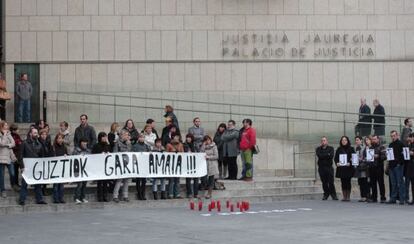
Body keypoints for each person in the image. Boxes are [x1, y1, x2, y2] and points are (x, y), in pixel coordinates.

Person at [19, 127, 47, 205]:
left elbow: (42, 156)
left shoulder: (39, 144)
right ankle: (22, 199)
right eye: (34, 133)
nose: (36, 134)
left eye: (37, 133)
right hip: (27, 167)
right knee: (24, 183)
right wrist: (22, 166)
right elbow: (20, 156)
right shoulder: (24, 143)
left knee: (38, 184)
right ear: (30, 134)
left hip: (36, 167)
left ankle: (40, 199)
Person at [315, 136, 337, 200]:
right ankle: (326, 194)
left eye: (324, 140)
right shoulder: (318, 149)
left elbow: (331, 156)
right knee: (324, 182)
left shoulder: (331, 148)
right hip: (321, 168)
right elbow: (319, 156)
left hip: (329, 167)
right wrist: (327, 154)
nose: (323, 142)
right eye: (322, 141)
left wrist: (325, 155)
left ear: (327, 141)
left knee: (331, 182)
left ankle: (333, 195)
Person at [387, 130, 406, 204]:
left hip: (398, 166)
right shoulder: (390, 144)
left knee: (400, 182)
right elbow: (389, 156)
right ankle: (393, 198)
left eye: (394, 135)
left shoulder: (401, 144)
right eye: (391, 136)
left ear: (397, 135)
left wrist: (399, 163)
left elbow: (404, 155)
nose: (393, 137)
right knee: (393, 183)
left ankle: (402, 199)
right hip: (391, 166)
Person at [92, 132, 112, 202]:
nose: (104, 138)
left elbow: (111, 153)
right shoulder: (96, 146)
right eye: (103, 137)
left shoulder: (107, 145)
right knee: (100, 182)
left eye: (105, 137)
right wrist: (100, 154)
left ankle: (105, 196)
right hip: (99, 166)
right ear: (100, 138)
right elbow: (93, 155)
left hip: (106, 166)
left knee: (105, 182)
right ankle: (100, 196)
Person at [112, 129, 131, 203]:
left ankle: (125, 195)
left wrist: (129, 144)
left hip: (127, 163)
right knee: (119, 180)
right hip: (120, 164)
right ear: (122, 135)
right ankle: (115, 196)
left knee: (126, 180)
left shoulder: (128, 143)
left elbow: (130, 152)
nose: (127, 136)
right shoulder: (117, 143)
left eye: (128, 135)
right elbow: (115, 153)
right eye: (126, 135)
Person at [334, 136, 355, 202]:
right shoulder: (339, 149)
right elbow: (336, 158)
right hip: (341, 168)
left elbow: (354, 157)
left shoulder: (351, 149)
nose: (344, 141)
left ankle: (348, 196)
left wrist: (350, 163)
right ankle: (344, 196)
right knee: (343, 182)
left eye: (345, 140)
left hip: (348, 168)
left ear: (347, 141)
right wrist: (337, 163)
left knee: (348, 182)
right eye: (342, 140)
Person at [132, 133, 151, 200]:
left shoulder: (146, 146)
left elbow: (149, 153)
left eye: (143, 137)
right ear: (138, 138)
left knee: (143, 181)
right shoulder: (135, 146)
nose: (142, 138)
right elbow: (133, 154)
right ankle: (139, 194)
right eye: (140, 137)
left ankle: (143, 194)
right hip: (138, 165)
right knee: (138, 180)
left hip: (144, 165)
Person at [72, 138, 90, 204]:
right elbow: (73, 158)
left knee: (84, 184)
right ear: (80, 143)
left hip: (85, 170)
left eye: (85, 142)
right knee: (79, 184)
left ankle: (82, 197)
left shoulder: (88, 151)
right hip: (78, 169)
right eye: (83, 142)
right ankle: (76, 197)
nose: (84, 143)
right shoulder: (76, 150)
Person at [0, 121, 16, 197]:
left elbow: (13, 143)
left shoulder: (9, 133)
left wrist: (7, 145)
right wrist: (5, 135)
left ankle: (13, 184)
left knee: (12, 173)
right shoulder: (2, 134)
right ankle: (3, 190)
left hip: (9, 157)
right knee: (1, 175)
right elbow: (1, 143)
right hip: (1, 157)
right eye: (6, 125)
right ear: (2, 126)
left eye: (7, 124)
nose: (7, 126)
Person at [166, 133, 183, 199]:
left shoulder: (180, 145)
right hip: (171, 164)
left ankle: (177, 194)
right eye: (176, 137)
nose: (177, 139)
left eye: (178, 137)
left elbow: (183, 153)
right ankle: (170, 194)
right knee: (171, 180)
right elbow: (166, 154)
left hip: (178, 164)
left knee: (177, 180)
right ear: (173, 138)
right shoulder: (169, 145)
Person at [370, 135, 386, 203]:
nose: (374, 140)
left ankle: (382, 197)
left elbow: (384, 157)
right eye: (373, 139)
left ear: (378, 140)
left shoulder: (382, 147)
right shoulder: (370, 148)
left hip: (379, 167)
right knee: (373, 183)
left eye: (375, 139)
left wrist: (378, 156)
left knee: (381, 183)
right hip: (372, 167)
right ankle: (374, 197)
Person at [52, 133, 68, 204]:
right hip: (55, 168)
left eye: (61, 138)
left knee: (61, 185)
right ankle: (56, 198)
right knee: (56, 185)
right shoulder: (53, 147)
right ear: (56, 139)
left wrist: (66, 155)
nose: (60, 140)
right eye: (58, 138)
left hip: (62, 168)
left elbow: (67, 155)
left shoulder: (64, 147)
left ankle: (61, 198)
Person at [183, 134, 199, 199]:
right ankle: (189, 193)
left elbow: (199, 152)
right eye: (187, 138)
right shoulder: (184, 144)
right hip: (187, 163)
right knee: (188, 179)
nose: (188, 139)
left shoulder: (195, 144)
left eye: (189, 138)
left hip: (195, 163)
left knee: (196, 179)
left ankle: (196, 193)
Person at [357, 136, 372, 202]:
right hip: (362, 167)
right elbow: (361, 156)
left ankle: (368, 196)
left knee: (367, 183)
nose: (367, 141)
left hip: (369, 167)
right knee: (362, 182)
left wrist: (363, 159)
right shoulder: (362, 148)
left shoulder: (371, 148)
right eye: (366, 140)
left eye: (368, 140)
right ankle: (363, 196)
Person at [39, 128, 53, 195]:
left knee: (45, 176)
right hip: (40, 161)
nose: (44, 136)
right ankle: (40, 190)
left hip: (47, 160)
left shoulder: (48, 142)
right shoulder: (38, 142)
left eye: (45, 134)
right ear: (40, 135)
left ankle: (44, 189)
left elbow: (51, 151)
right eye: (42, 134)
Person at [10, 124, 22, 189]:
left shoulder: (17, 136)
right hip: (13, 155)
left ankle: (16, 183)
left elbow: (20, 143)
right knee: (13, 171)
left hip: (18, 155)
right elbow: (14, 145)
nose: (18, 130)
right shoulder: (11, 136)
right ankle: (13, 184)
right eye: (17, 129)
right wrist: (18, 143)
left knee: (16, 171)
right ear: (14, 130)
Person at [404, 133, 414, 205]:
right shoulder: (410, 145)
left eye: (411, 137)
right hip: (410, 166)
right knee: (412, 184)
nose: (410, 138)